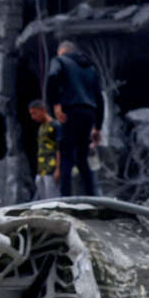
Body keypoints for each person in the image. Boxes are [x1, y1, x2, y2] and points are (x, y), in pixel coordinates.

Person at [45, 40, 103, 197]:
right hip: (89, 113)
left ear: (62, 52)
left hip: (70, 111)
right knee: (82, 158)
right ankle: (93, 197)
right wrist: (98, 127)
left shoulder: (59, 60)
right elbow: (99, 97)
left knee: (66, 156)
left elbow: (52, 77)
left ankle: (65, 199)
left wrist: (56, 104)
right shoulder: (90, 67)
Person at [28, 100, 61, 200]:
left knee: (52, 199)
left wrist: (58, 169)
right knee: (43, 200)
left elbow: (59, 148)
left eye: (35, 113)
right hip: (41, 170)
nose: (33, 117)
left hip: (51, 168)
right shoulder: (41, 127)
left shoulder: (55, 125)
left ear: (43, 110)